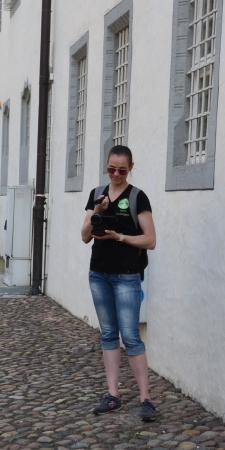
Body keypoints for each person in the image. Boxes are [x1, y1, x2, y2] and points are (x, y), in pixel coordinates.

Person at [80, 144, 158, 422]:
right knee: (108, 334)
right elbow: (84, 236)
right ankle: (113, 395)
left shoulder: (138, 197)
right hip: (99, 273)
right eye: (111, 169)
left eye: (122, 170)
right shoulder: (96, 193)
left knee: (131, 336)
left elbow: (150, 240)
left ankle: (146, 399)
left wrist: (120, 237)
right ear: (106, 166)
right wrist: (97, 210)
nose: (115, 174)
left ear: (130, 168)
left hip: (126, 274)